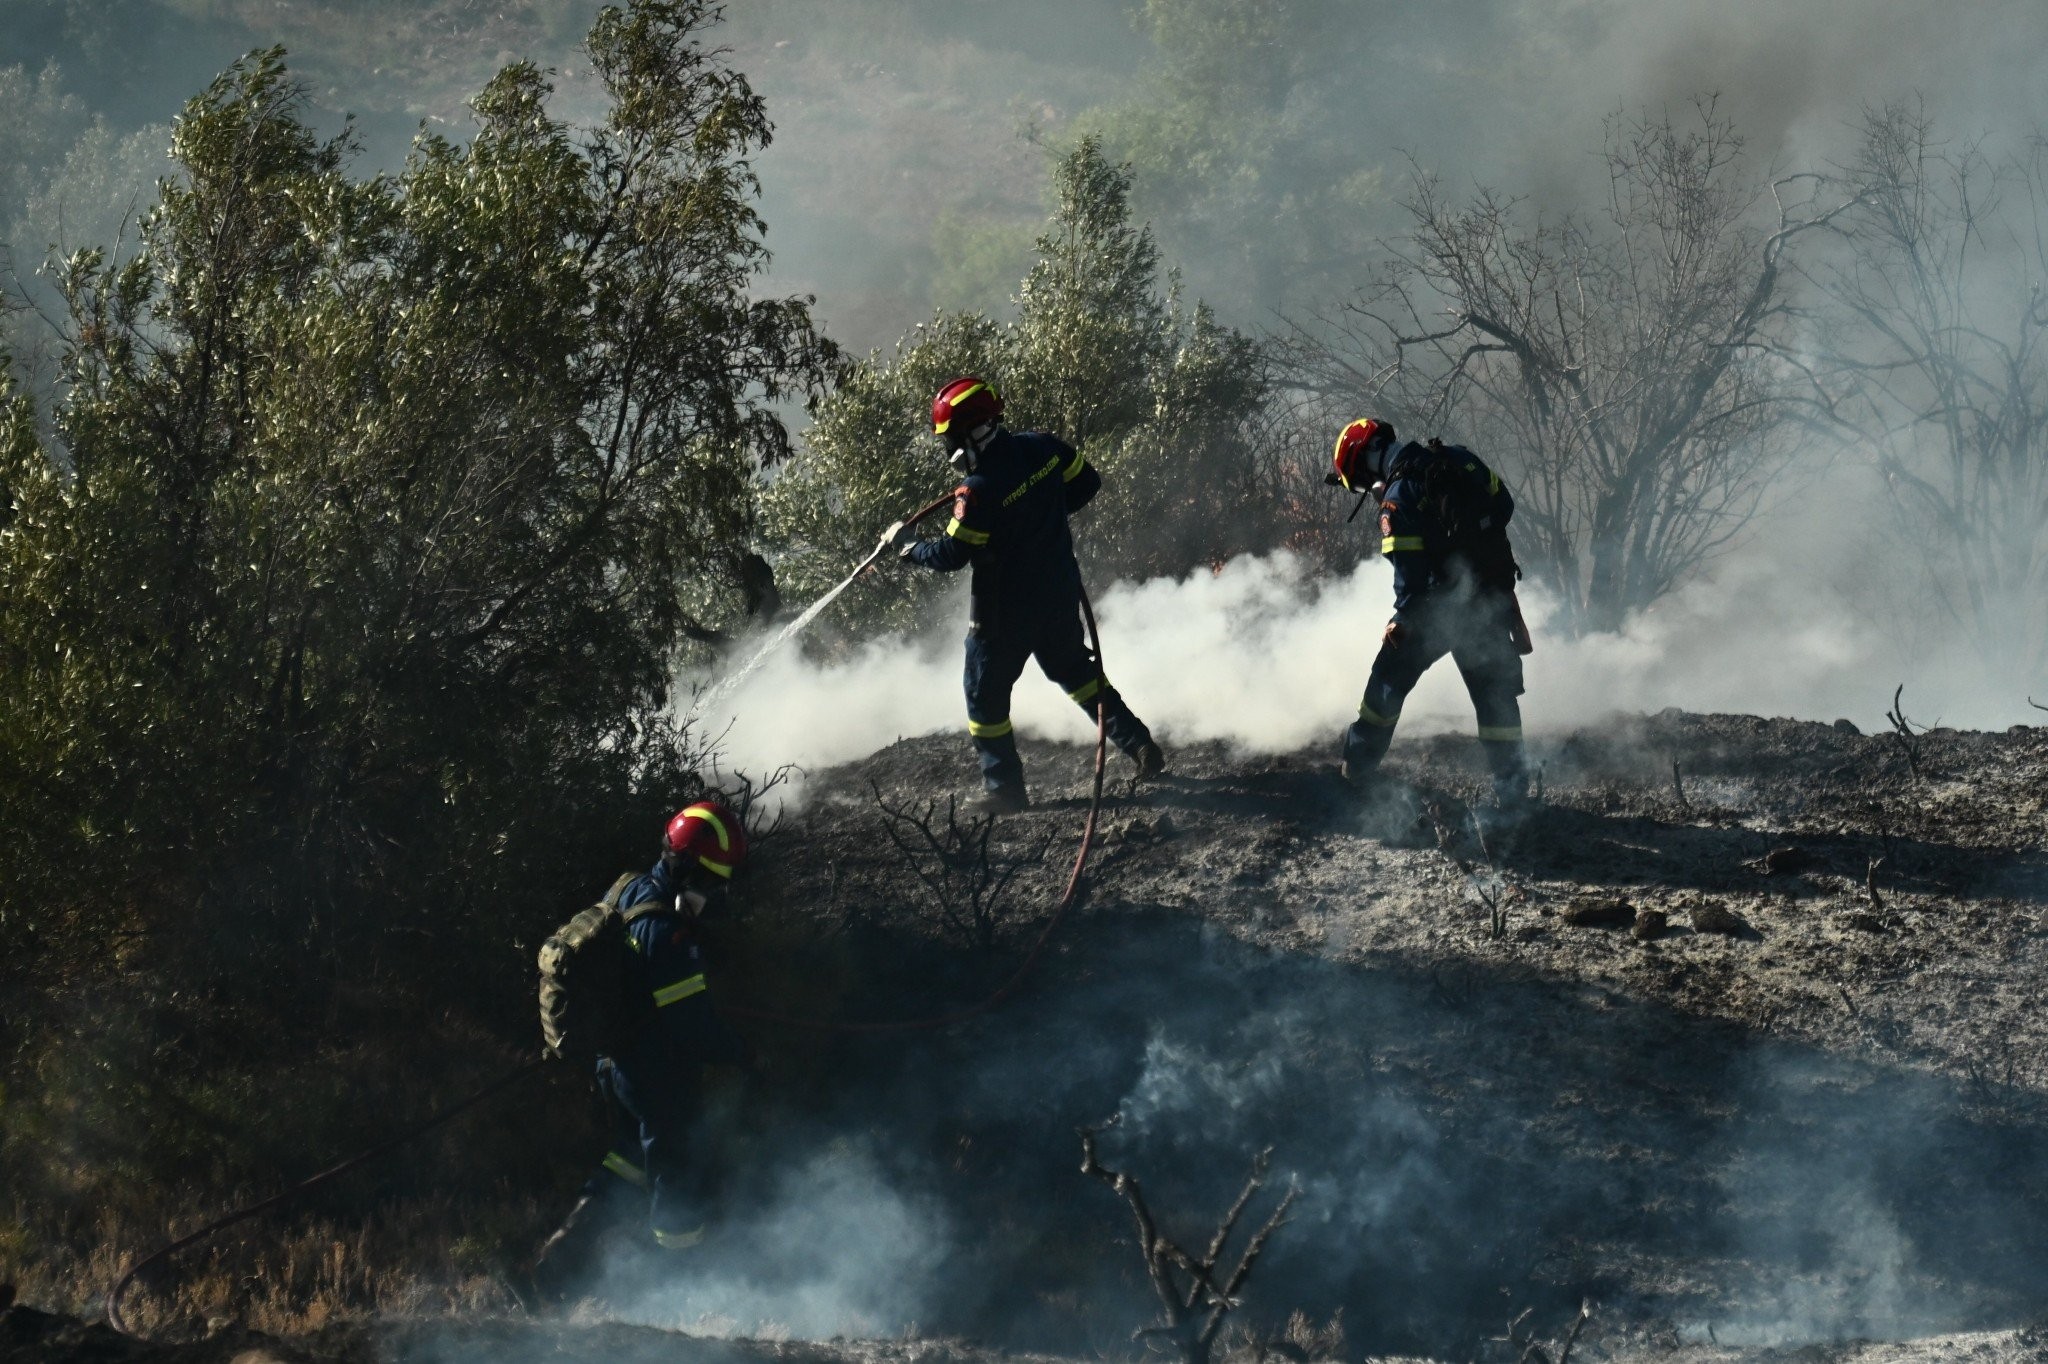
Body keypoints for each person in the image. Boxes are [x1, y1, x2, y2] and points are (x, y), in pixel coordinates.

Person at [881, 377, 1165, 812]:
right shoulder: (1043, 447)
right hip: (1057, 593)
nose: (948, 448)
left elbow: (951, 554)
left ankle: (1005, 790)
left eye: (951, 437)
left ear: (971, 432)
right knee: (1075, 672)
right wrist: (1041, 513)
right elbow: (1088, 483)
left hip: (1001, 614)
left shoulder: (977, 491)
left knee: (984, 696)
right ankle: (1141, 746)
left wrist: (906, 545)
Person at [531, 801, 752, 1300]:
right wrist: (740, 1052)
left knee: (629, 1156)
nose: (711, 893)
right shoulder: (669, 933)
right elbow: (693, 1024)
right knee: (674, 1174)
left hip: (615, 1065)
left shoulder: (628, 887)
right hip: (657, 1076)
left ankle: (560, 1251)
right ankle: (682, 1292)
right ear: (686, 866)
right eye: (709, 880)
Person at [1329, 419, 1532, 807]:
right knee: (1495, 698)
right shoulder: (1457, 459)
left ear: (1369, 461)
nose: (1365, 487)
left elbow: (1412, 580)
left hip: (1438, 612)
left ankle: (1357, 770)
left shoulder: (1398, 497)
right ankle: (1513, 790)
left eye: (1359, 480)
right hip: (1488, 600)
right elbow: (1503, 505)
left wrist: (1401, 621)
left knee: (1385, 685)